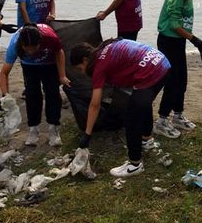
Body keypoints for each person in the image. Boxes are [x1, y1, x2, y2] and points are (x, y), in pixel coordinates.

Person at [72, 39, 170, 177]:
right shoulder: (105, 47)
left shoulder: (99, 65)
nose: (82, 72)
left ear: (85, 59)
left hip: (151, 70)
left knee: (131, 119)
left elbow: (95, 104)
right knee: (142, 105)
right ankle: (146, 140)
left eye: (79, 68)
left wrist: (87, 135)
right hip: (162, 62)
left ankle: (135, 164)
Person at [154, 0, 202, 138]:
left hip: (178, 41)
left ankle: (177, 115)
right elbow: (174, 24)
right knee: (172, 82)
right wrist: (194, 39)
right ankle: (161, 121)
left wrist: (190, 38)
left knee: (182, 80)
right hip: (169, 41)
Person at [0, 23, 70, 146]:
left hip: (49, 63)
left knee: (52, 93)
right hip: (29, 66)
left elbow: (59, 52)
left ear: (40, 41)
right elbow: (4, 73)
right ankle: (33, 129)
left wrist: (62, 75)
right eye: (27, 49)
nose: (31, 51)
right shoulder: (15, 44)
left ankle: (53, 129)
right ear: (22, 45)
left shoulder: (50, 37)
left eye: (34, 48)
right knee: (32, 94)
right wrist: (5, 95)